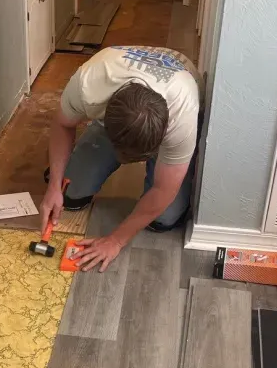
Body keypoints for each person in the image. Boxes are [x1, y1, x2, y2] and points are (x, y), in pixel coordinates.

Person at [40, 45, 201, 272]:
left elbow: (164, 190)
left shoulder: (182, 117)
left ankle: (174, 160)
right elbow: (62, 124)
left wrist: (115, 240)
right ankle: (97, 145)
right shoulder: (89, 84)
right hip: (118, 79)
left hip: (177, 81)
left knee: (164, 218)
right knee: (70, 195)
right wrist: (54, 186)